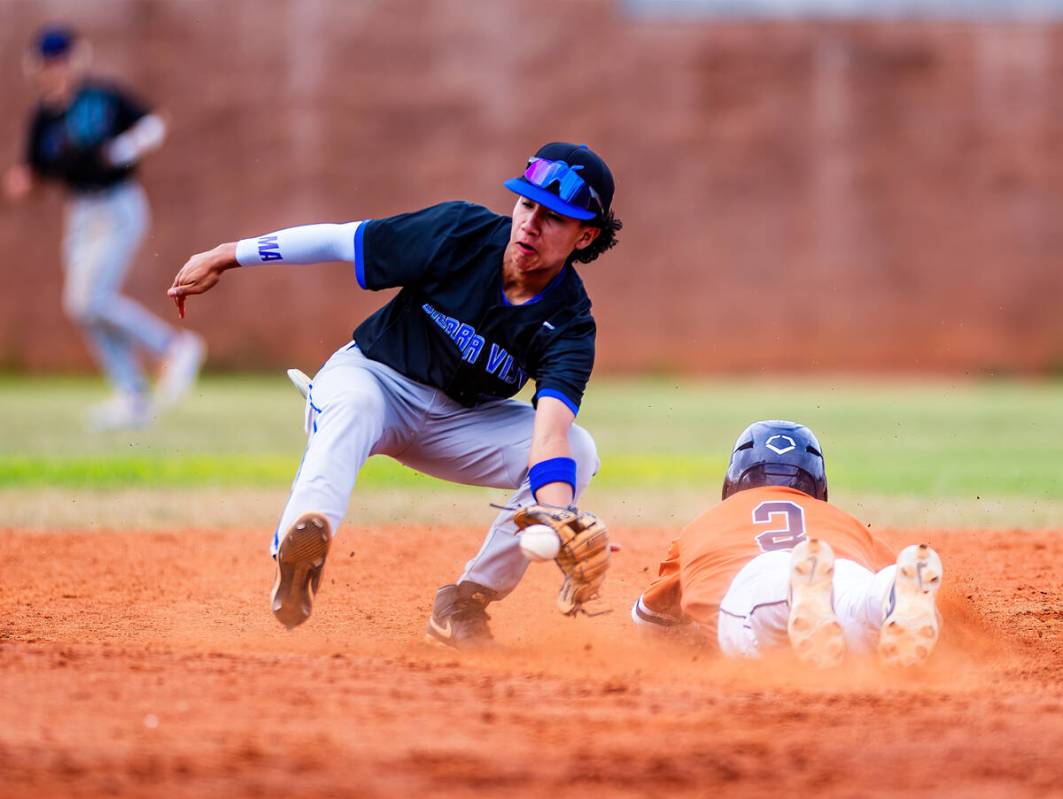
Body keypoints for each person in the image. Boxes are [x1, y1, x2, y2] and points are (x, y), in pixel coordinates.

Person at [168, 142, 622, 649]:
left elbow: (551, 433)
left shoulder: (569, 323)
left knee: (580, 450)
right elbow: (341, 241)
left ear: (586, 235)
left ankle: (463, 603)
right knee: (355, 407)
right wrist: (227, 255)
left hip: (462, 423)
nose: (531, 223)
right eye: (527, 204)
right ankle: (300, 549)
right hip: (375, 379)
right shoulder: (461, 233)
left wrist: (560, 515)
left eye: (554, 217)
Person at [3, 26, 205, 431]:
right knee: (82, 306)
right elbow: (37, 173)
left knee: (90, 299)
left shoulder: (102, 97)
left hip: (118, 205)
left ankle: (174, 346)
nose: (55, 69)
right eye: (48, 62)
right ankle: (132, 395)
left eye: (61, 59)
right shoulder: (44, 116)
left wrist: (122, 150)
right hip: (80, 212)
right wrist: (23, 183)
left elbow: (153, 124)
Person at [632, 420, 944, 668]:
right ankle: (887, 595)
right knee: (858, 599)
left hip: (757, 588)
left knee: (770, 603)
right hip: (840, 571)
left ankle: (799, 593)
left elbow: (650, 621)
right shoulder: (844, 522)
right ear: (817, 482)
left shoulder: (703, 526)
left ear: (735, 477)